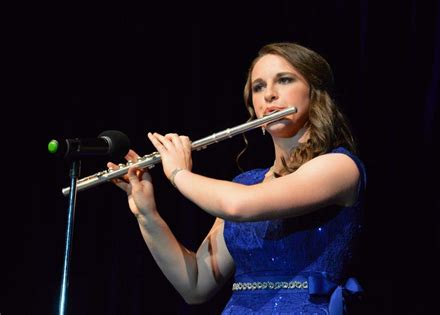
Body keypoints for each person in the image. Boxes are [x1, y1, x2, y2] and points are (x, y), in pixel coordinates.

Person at [108, 42, 367, 314]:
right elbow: (194, 285)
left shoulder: (339, 167)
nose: (269, 95)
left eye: (285, 80)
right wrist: (147, 214)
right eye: (258, 87)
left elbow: (238, 206)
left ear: (315, 93)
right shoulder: (245, 184)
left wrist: (177, 173)